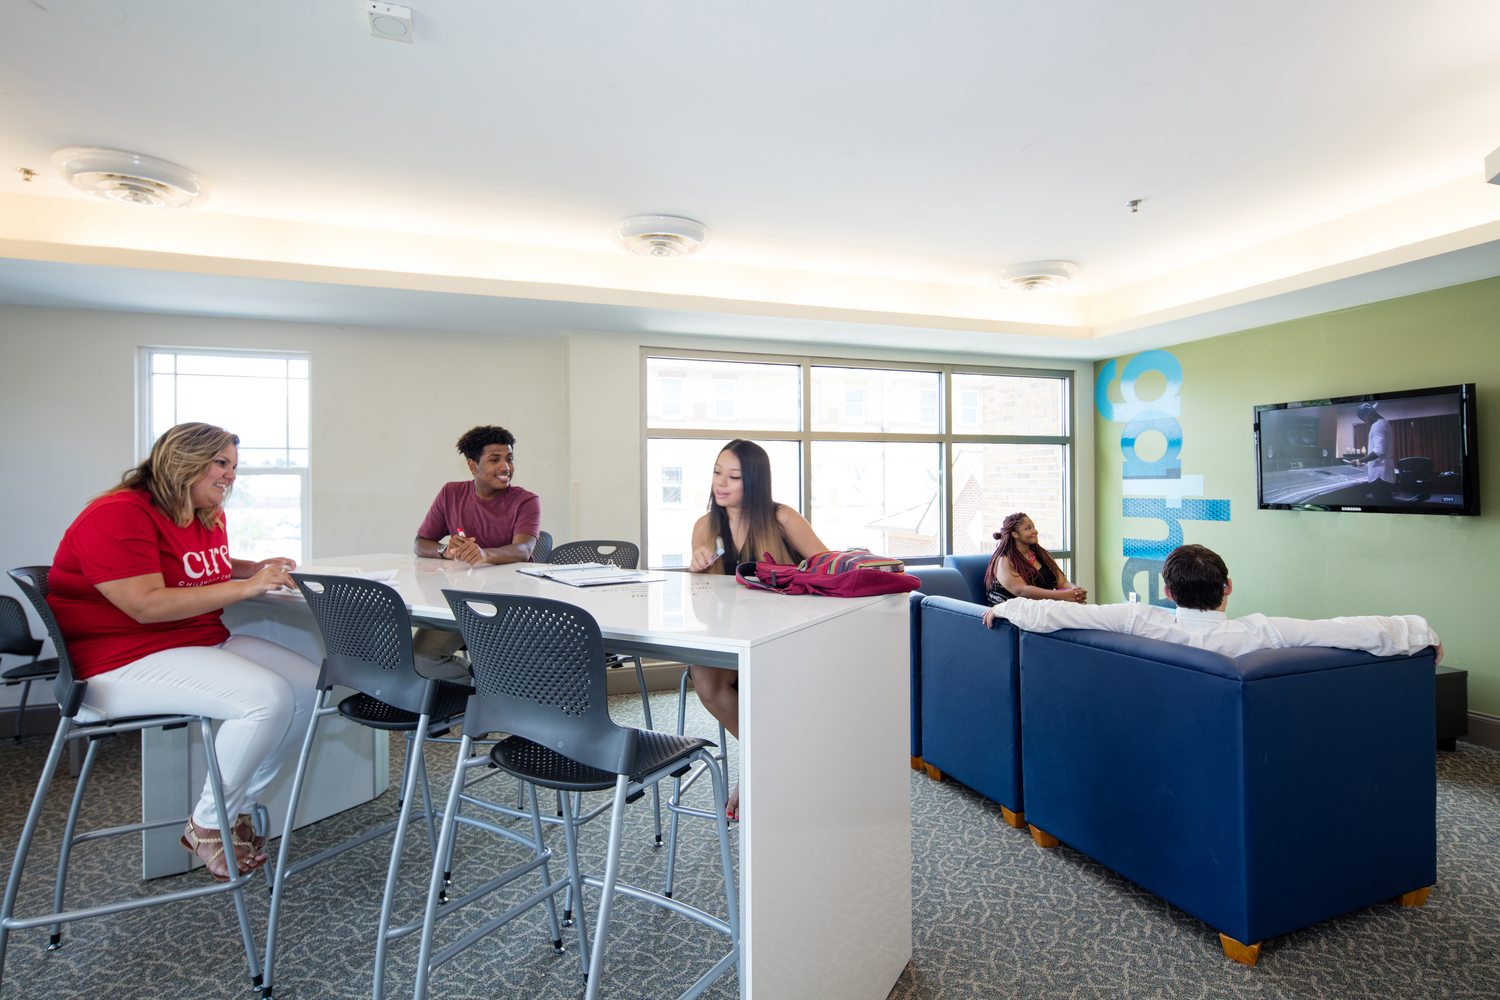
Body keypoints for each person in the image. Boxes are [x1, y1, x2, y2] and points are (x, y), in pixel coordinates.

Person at [46, 422, 319, 881]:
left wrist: (250, 567)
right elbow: (145, 605)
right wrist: (246, 588)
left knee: (312, 686)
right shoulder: (116, 515)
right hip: (117, 659)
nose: (231, 476)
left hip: (191, 639)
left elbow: (189, 565)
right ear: (183, 462)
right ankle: (210, 824)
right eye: (222, 463)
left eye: (234, 466)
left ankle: (237, 806)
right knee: (266, 698)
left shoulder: (201, 513)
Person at [982, 543, 1442, 663]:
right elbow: (1349, 629)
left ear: (1166, 591)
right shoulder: (1264, 632)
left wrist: (1005, 608)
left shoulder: (1138, 619)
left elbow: (1055, 611)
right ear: (1228, 588)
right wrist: (1421, 633)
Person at [686, 439, 828, 820]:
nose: (721, 483)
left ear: (754, 482)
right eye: (717, 472)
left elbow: (828, 571)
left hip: (787, 639)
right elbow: (703, 608)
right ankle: (763, 760)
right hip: (737, 639)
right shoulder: (705, 526)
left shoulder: (782, 519)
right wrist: (696, 573)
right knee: (702, 673)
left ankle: (756, 767)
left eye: (733, 476)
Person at [412, 426, 541, 673]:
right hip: (462, 600)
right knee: (422, 658)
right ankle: (477, 689)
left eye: (510, 459)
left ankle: (487, 688)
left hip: (510, 604)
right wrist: (444, 551)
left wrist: (484, 554)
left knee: (498, 669)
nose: (506, 467)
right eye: (495, 460)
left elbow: (523, 549)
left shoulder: (526, 501)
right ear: (473, 466)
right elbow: (421, 542)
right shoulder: (451, 493)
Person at [983, 511, 1087, 605]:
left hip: (1039, 609)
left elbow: (1062, 582)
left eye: (1033, 527)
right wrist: (1062, 596)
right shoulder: (1004, 560)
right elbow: (1022, 591)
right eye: (1028, 528)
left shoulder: (1042, 555)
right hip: (1009, 614)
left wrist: (1075, 591)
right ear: (1014, 534)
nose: (1035, 531)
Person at [1354, 402, 1397, 502]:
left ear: (1370, 415)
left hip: (1379, 476)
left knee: (1381, 506)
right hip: (1385, 473)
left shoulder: (1377, 426)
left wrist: (1358, 461)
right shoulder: (1385, 423)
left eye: (1364, 420)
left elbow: (1379, 451)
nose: (1365, 423)